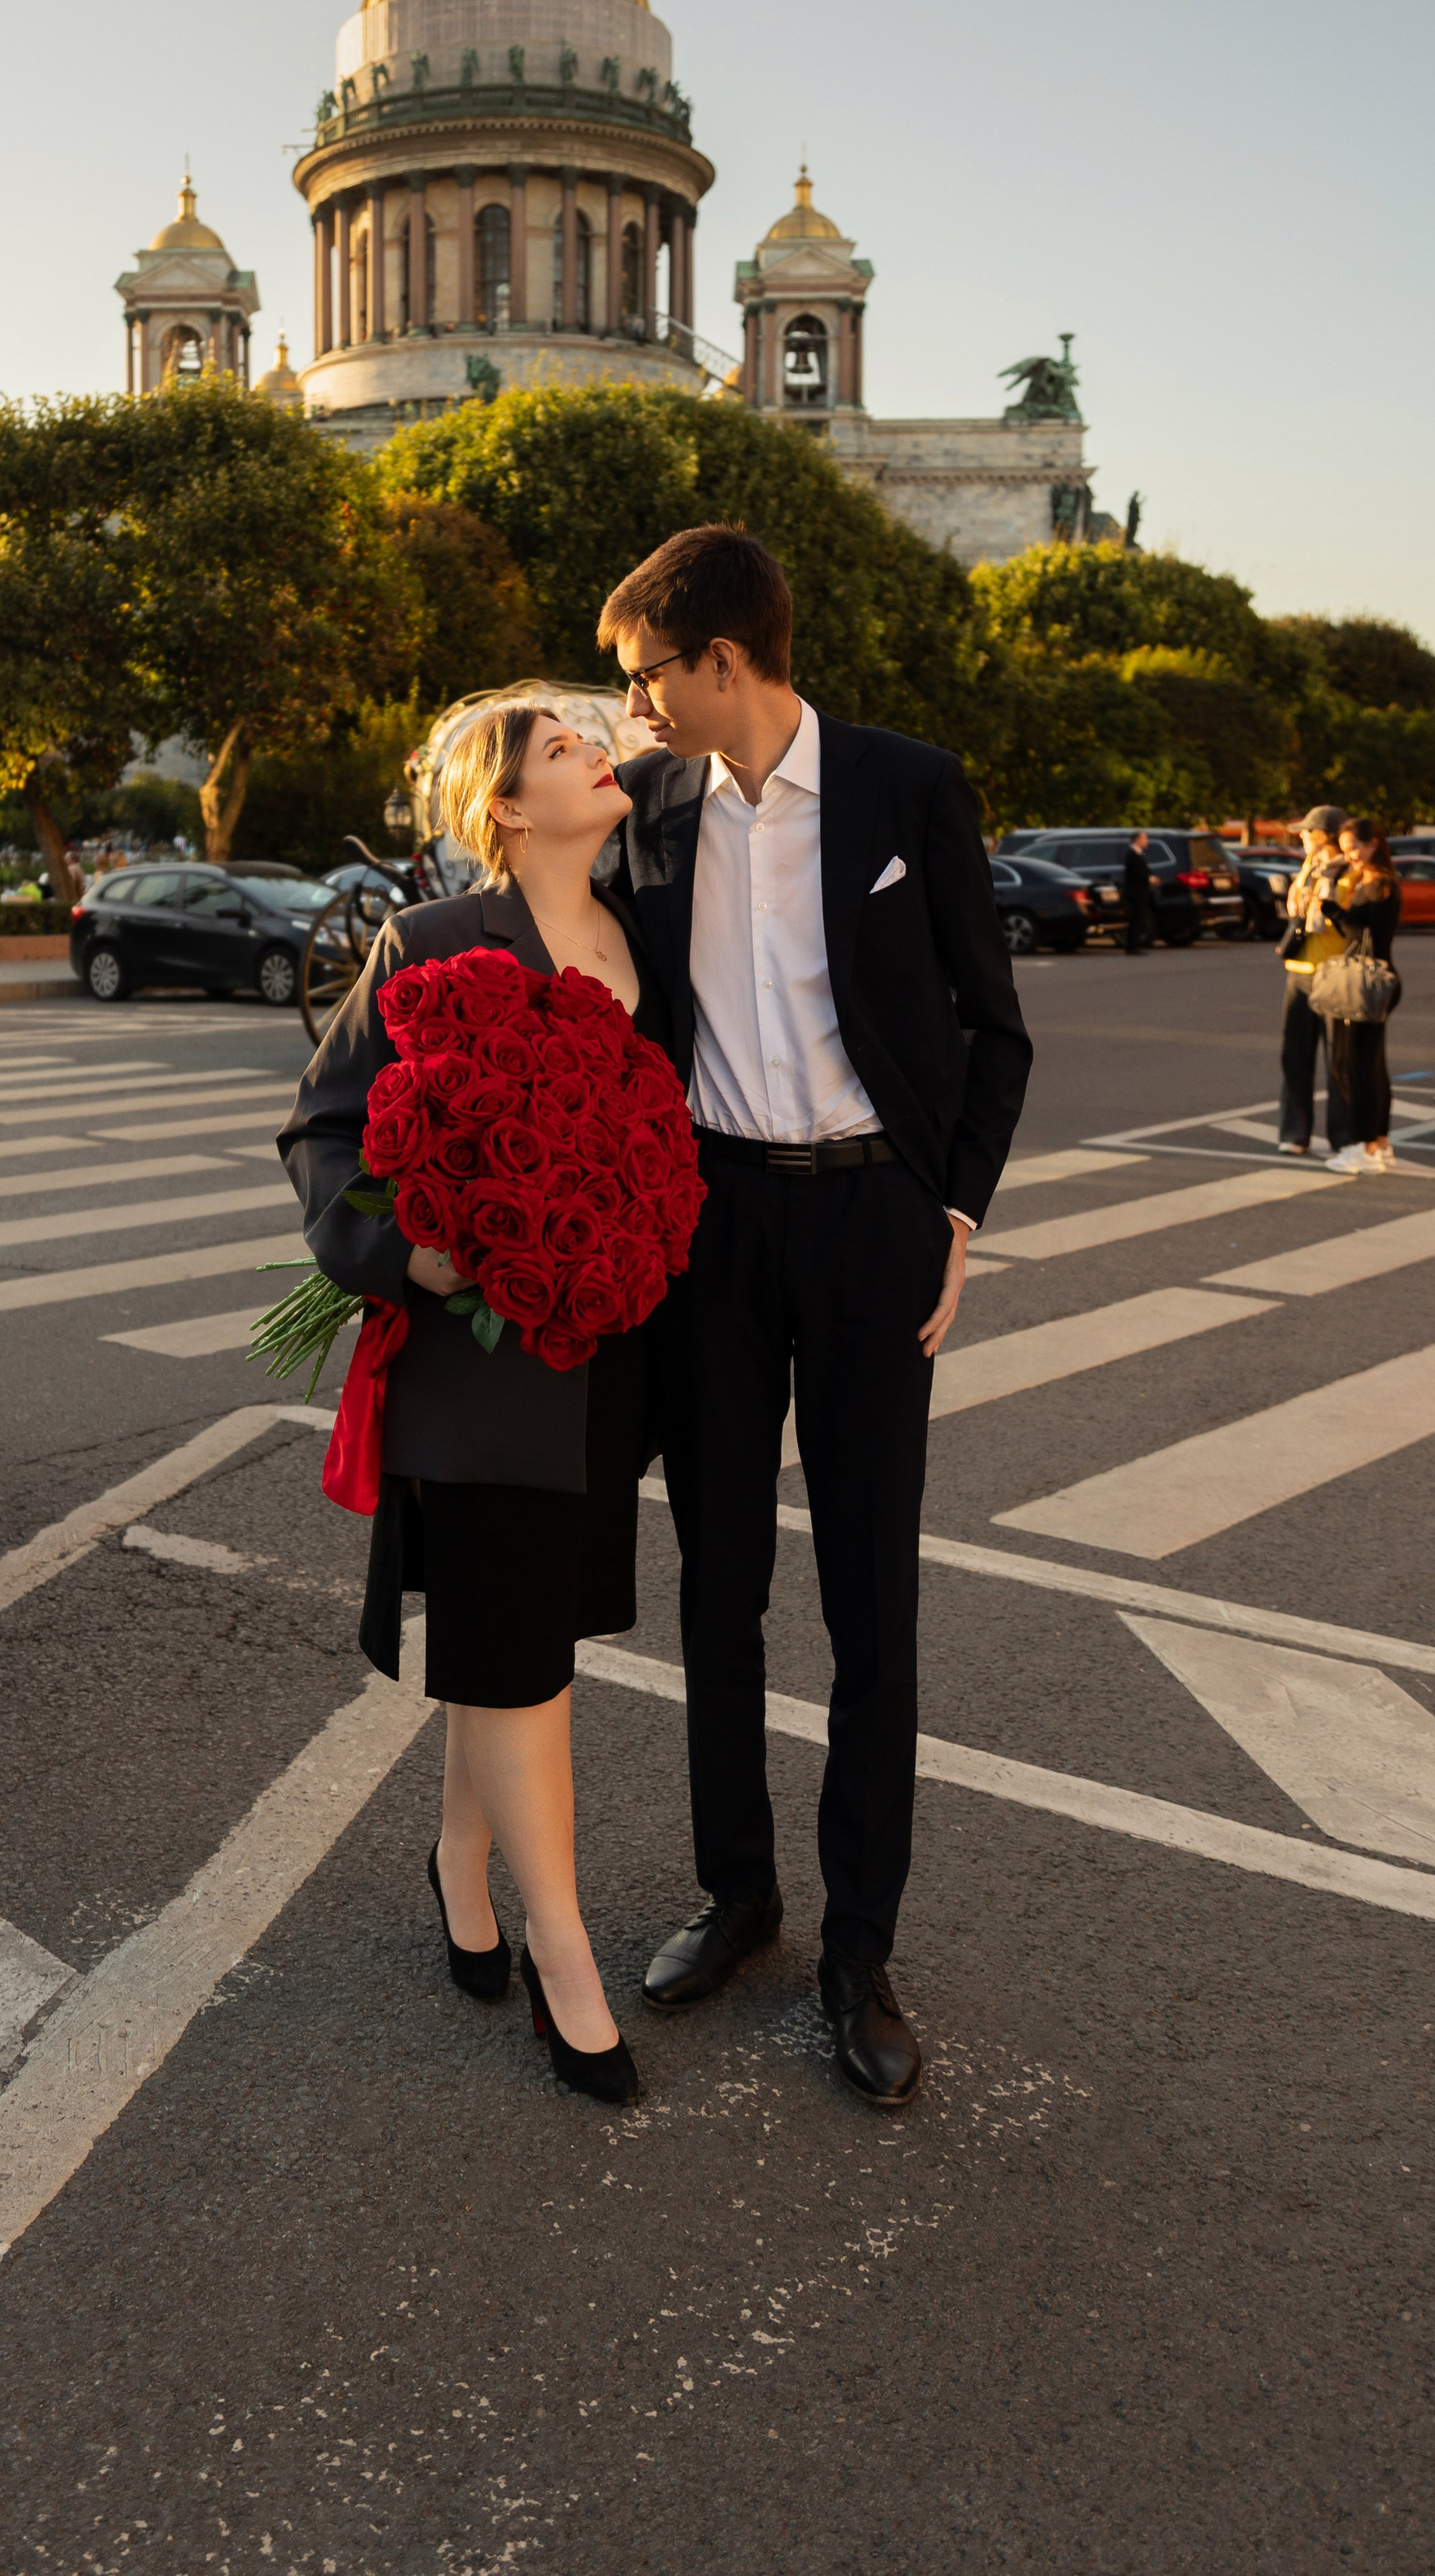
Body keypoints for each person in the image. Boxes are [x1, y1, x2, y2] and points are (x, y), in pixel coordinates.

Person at [596, 525, 1030, 2108]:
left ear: (725, 662)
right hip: (713, 1228)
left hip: (867, 1228)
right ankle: (739, 1894)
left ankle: (858, 1950)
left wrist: (948, 1214)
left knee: (868, 1604)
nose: (630, 704)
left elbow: (997, 1032)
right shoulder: (642, 809)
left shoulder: (908, 788)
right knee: (715, 1581)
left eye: (646, 675)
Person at [280, 705, 670, 2104]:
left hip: (608, 1361)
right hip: (478, 1363)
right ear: (504, 808)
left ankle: (460, 1859)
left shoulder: (648, 945)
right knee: (524, 1668)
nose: (592, 748)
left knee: (526, 1638)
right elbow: (327, 1126)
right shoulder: (437, 946)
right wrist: (411, 1251)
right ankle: (566, 1962)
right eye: (561, 743)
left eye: (592, 733)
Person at [1318, 819, 1401, 1175]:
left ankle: (1365, 1149)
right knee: (1373, 1065)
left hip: (1367, 983)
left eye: (1354, 847)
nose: (1349, 854)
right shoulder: (1370, 882)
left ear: (1373, 844)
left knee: (1359, 1067)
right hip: (1376, 980)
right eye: (1346, 847)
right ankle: (1379, 1144)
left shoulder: (1379, 885)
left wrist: (1332, 909)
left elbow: (1370, 937)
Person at [1277, 806, 1354, 1158]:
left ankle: (1344, 1138)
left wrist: (1326, 905)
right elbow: (1299, 909)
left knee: (1338, 1061)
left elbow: (1353, 922)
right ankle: (1295, 1133)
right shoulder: (1309, 867)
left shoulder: (1350, 872)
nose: (1302, 837)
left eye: (1307, 832)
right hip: (1300, 971)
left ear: (1324, 834)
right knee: (1294, 1056)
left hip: (1335, 973)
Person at [1121, 832, 1157, 954]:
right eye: (1145, 839)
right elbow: (1137, 872)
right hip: (1135, 893)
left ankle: (1133, 946)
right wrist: (1150, 878)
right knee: (1136, 919)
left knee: (1138, 919)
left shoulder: (1138, 853)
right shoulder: (1132, 854)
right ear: (1137, 840)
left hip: (1140, 892)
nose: (1147, 842)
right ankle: (1132, 947)